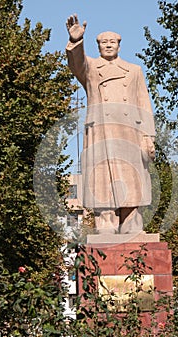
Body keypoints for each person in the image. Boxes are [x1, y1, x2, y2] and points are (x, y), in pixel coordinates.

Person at [66, 14, 155, 235]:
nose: (108, 45)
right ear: (97, 46)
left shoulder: (134, 71)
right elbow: (77, 64)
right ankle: (105, 222)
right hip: (102, 130)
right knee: (102, 174)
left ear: (119, 45)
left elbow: (144, 104)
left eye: (112, 42)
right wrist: (77, 42)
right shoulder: (91, 68)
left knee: (131, 175)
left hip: (129, 131)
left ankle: (131, 223)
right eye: (103, 42)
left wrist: (148, 136)